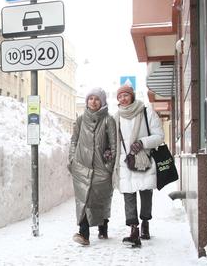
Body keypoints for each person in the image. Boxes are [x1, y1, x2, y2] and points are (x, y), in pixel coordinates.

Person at [113, 84, 164, 247]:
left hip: (144, 160)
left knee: (145, 193)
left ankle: (145, 223)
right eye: (120, 96)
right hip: (125, 161)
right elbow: (113, 139)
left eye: (126, 95)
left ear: (132, 96)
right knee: (128, 195)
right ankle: (133, 230)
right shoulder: (117, 116)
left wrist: (142, 142)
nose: (123, 98)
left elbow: (159, 136)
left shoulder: (146, 111)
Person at [68, 87, 117, 246]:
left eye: (97, 99)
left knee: (99, 200)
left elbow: (113, 145)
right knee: (83, 200)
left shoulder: (108, 120)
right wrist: (72, 160)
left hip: (100, 168)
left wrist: (108, 165)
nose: (93, 102)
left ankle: (103, 225)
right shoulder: (81, 119)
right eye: (91, 98)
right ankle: (84, 234)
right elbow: (74, 140)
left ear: (102, 101)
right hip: (81, 166)